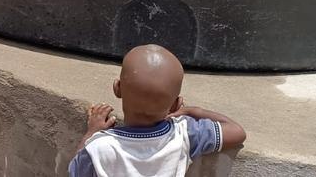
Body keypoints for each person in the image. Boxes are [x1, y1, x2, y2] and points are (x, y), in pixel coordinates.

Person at [68, 45, 247, 176]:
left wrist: (92, 133)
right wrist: (194, 111)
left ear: (117, 88)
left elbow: (75, 171)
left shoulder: (99, 147)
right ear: (176, 105)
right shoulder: (184, 134)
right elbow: (237, 132)